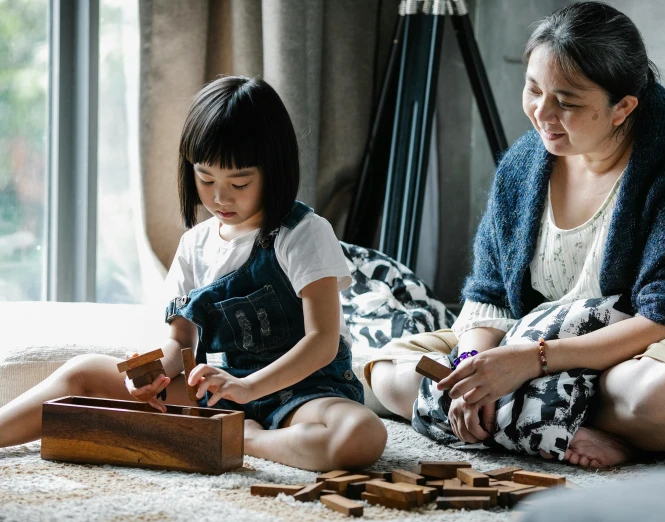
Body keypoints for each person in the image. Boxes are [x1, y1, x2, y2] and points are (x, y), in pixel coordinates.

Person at [366, 1, 665, 468]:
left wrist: (530, 362)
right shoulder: (524, 166)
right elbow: (490, 297)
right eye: (533, 89)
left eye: (567, 102)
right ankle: (559, 429)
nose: (542, 113)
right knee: (386, 373)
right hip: (539, 345)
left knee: (650, 399)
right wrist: (470, 373)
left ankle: (525, 418)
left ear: (622, 107)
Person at [0, 76, 387, 472]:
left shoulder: (303, 232)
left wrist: (250, 387)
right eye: (206, 179)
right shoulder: (194, 245)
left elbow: (322, 340)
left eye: (239, 182)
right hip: (218, 393)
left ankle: (245, 438)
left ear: (274, 169)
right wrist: (149, 376)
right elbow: (178, 345)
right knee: (82, 371)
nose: (220, 197)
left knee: (362, 435)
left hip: (303, 393)